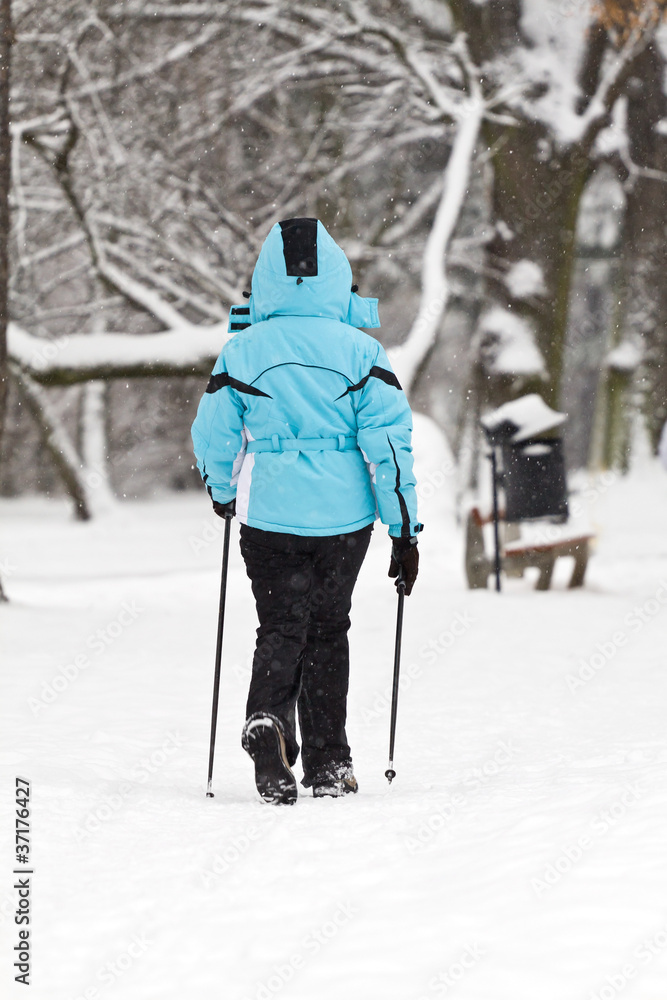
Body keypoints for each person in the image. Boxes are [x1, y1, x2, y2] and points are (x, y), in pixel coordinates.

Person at [191, 218, 421, 805]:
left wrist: (222, 491)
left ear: (264, 280)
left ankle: (267, 721)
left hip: (269, 517)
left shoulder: (242, 350)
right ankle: (326, 763)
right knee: (328, 629)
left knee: (280, 626)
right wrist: (403, 531)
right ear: (336, 280)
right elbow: (389, 444)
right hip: (344, 522)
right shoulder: (362, 351)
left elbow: (213, 433)